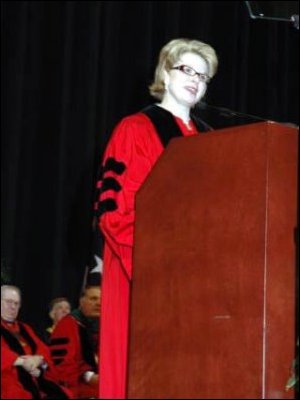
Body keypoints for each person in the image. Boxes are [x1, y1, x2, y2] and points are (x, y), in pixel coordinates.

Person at [95, 38, 218, 399]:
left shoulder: (212, 141)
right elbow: (112, 209)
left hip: (199, 280)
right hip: (145, 272)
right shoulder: (135, 128)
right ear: (165, 71)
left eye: (204, 75)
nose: (196, 79)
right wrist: (158, 268)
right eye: (187, 70)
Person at [1, 285, 73, 399]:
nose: (13, 307)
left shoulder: (25, 328)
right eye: (9, 302)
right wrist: (22, 362)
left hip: (35, 380)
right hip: (9, 382)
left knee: (66, 394)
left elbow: (43, 350)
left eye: (16, 303)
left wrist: (38, 360)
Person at [49, 283, 101, 399]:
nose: (99, 303)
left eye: (101, 299)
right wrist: (88, 375)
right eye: (93, 298)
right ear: (81, 301)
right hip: (78, 386)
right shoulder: (67, 324)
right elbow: (63, 364)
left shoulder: (107, 325)